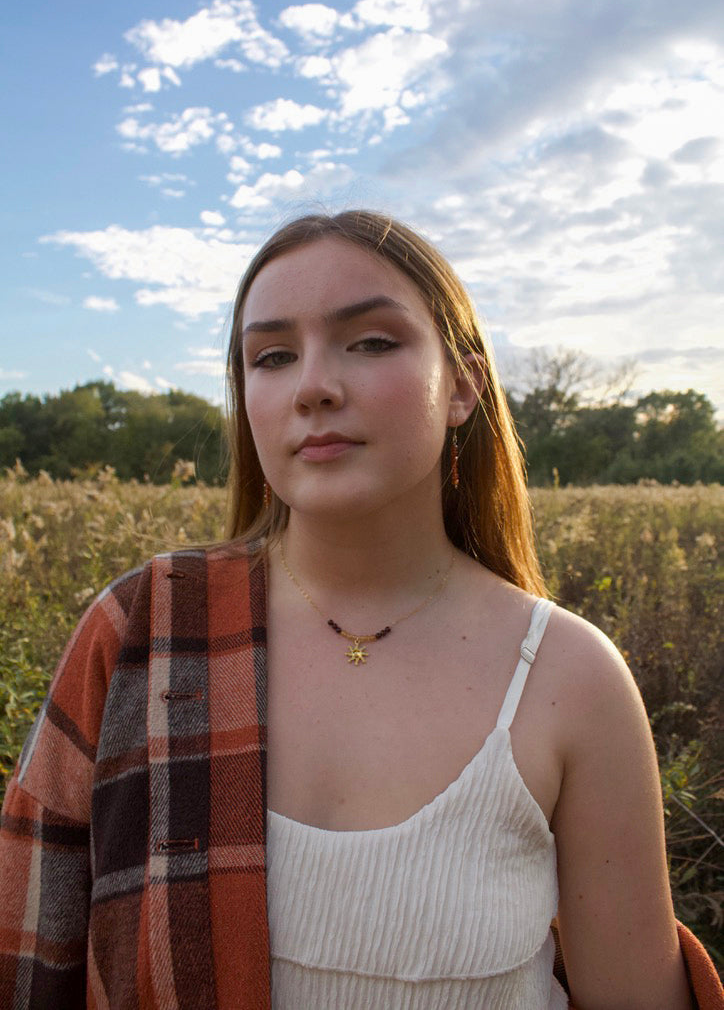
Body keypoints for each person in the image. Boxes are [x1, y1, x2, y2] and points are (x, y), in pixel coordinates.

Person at [0, 210, 720, 1010]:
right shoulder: (141, 633)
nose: (313, 385)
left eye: (372, 342)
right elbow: (28, 959)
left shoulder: (570, 677)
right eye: (272, 357)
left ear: (463, 387)